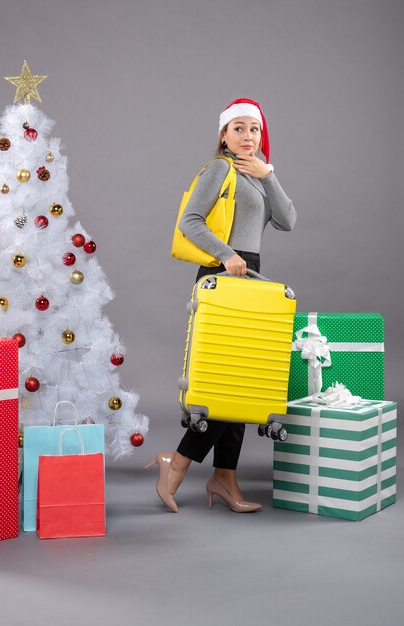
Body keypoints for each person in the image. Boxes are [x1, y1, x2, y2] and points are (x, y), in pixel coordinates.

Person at [145, 98, 296, 513]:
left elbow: (288, 220)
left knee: (245, 380)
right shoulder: (219, 169)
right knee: (222, 381)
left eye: (255, 130)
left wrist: (269, 176)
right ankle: (175, 465)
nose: (248, 137)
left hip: (252, 274)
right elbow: (189, 220)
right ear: (223, 134)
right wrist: (227, 255)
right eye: (240, 129)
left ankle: (225, 476)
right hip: (221, 272)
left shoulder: (258, 173)